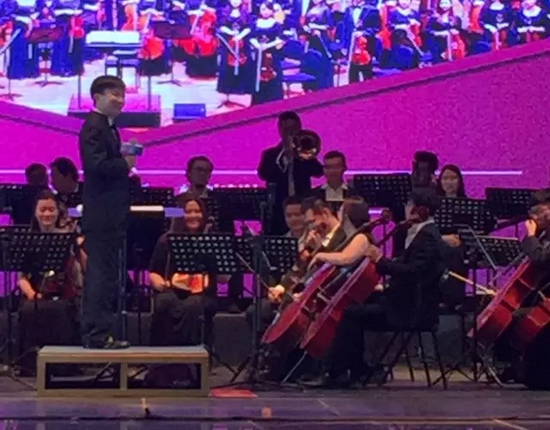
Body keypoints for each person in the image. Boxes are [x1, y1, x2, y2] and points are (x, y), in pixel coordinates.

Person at [305, 188, 448, 388]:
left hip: (412, 310)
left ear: (420, 210)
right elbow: (406, 266)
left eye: (409, 205)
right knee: (356, 304)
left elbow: (413, 272)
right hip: (403, 301)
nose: (406, 208)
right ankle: (358, 370)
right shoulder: (420, 233)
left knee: (351, 313)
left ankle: (337, 372)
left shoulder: (428, 237)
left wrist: (381, 260)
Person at [78, 75, 135, 349]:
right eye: (114, 94)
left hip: (111, 214)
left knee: (108, 276)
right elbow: (97, 166)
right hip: (101, 214)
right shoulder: (93, 126)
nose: (120, 100)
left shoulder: (108, 127)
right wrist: (126, 164)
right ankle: (96, 335)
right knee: (100, 276)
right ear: (97, 97)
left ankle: (102, 333)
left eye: (123, 95)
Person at [17, 190, 84, 375]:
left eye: (51, 209)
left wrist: (79, 246)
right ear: (35, 212)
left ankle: (63, 366)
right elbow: (22, 278)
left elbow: (80, 270)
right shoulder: (27, 240)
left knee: (62, 309)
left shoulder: (67, 236)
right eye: (43, 209)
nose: (47, 214)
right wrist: (33, 294)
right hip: (35, 293)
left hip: (63, 293)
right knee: (29, 310)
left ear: (58, 212)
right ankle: (30, 365)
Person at [148, 197, 227, 346]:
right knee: (163, 302)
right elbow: (154, 272)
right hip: (172, 290)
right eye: (188, 211)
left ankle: (190, 352)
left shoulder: (213, 241)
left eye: (197, 211)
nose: (193, 215)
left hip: (203, 294)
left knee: (193, 305)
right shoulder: (166, 239)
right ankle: (162, 351)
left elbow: (224, 277)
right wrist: (159, 282)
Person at [258, 111, 323, 235]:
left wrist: (303, 156)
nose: (290, 133)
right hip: (278, 208)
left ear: (299, 129)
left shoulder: (304, 152)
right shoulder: (270, 154)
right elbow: (263, 174)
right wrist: (285, 158)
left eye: (293, 129)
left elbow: (318, 172)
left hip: (303, 206)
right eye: (286, 130)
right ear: (280, 131)